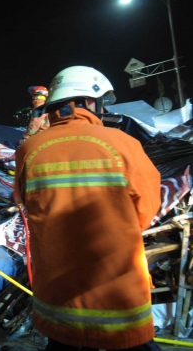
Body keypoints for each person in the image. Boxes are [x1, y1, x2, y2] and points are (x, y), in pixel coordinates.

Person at [14, 66, 162, 350]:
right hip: (118, 295)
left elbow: (23, 203)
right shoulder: (124, 144)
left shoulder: (28, 150)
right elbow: (146, 211)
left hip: (58, 299)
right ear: (90, 102)